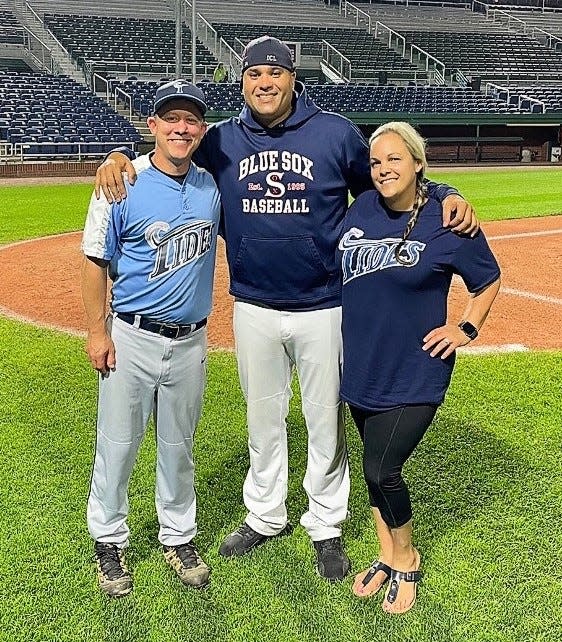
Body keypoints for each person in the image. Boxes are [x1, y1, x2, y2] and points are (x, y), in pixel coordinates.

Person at [94, 36, 479, 582]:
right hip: (252, 302)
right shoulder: (222, 139)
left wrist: (442, 191)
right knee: (263, 418)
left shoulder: (335, 132)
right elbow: (166, 155)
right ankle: (266, 514)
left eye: (275, 73)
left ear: (293, 78)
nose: (265, 83)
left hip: (323, 303)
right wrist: (116, 156)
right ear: (243, 82)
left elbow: (385, 179)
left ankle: (326, 524)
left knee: (325, 420)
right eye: (254, 75)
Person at [338, 121, 500, 612]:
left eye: (394, 159)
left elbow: (487, 279)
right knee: (372, 473)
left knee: (382, 467)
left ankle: (407, 559)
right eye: (376, 162)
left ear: (417, 163)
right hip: (363, 367)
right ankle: (385, 554)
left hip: (415, 369)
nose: (384, 169)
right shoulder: (362, 207)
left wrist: (465, 329)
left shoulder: (446, 220)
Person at [82, 80, 221, 597]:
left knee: (179, 446)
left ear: (200, 130)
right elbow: (95, 262)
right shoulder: (122, 181)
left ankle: (178, 535)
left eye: (191, 120)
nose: (182, 128)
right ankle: (108, 539)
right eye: (172, 119)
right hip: (132, 337)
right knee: (117, 444)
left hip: (190, 341)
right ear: (153, 126)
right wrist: (97, 332)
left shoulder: (211, 186)